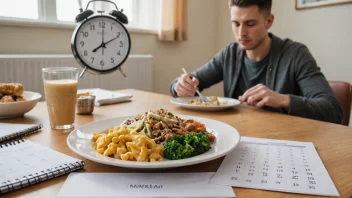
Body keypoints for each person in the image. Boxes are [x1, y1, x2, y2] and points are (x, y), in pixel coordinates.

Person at [169, 0, 343, 124]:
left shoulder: (296, 54)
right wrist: (179, 85)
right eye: (236, 23)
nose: (241, 33)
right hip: (239, 137)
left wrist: (282, 100)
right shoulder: (230, 54)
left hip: (286, 142)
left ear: (269, 21)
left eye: (250, 24)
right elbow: (189, 80)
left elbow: (333, 110)